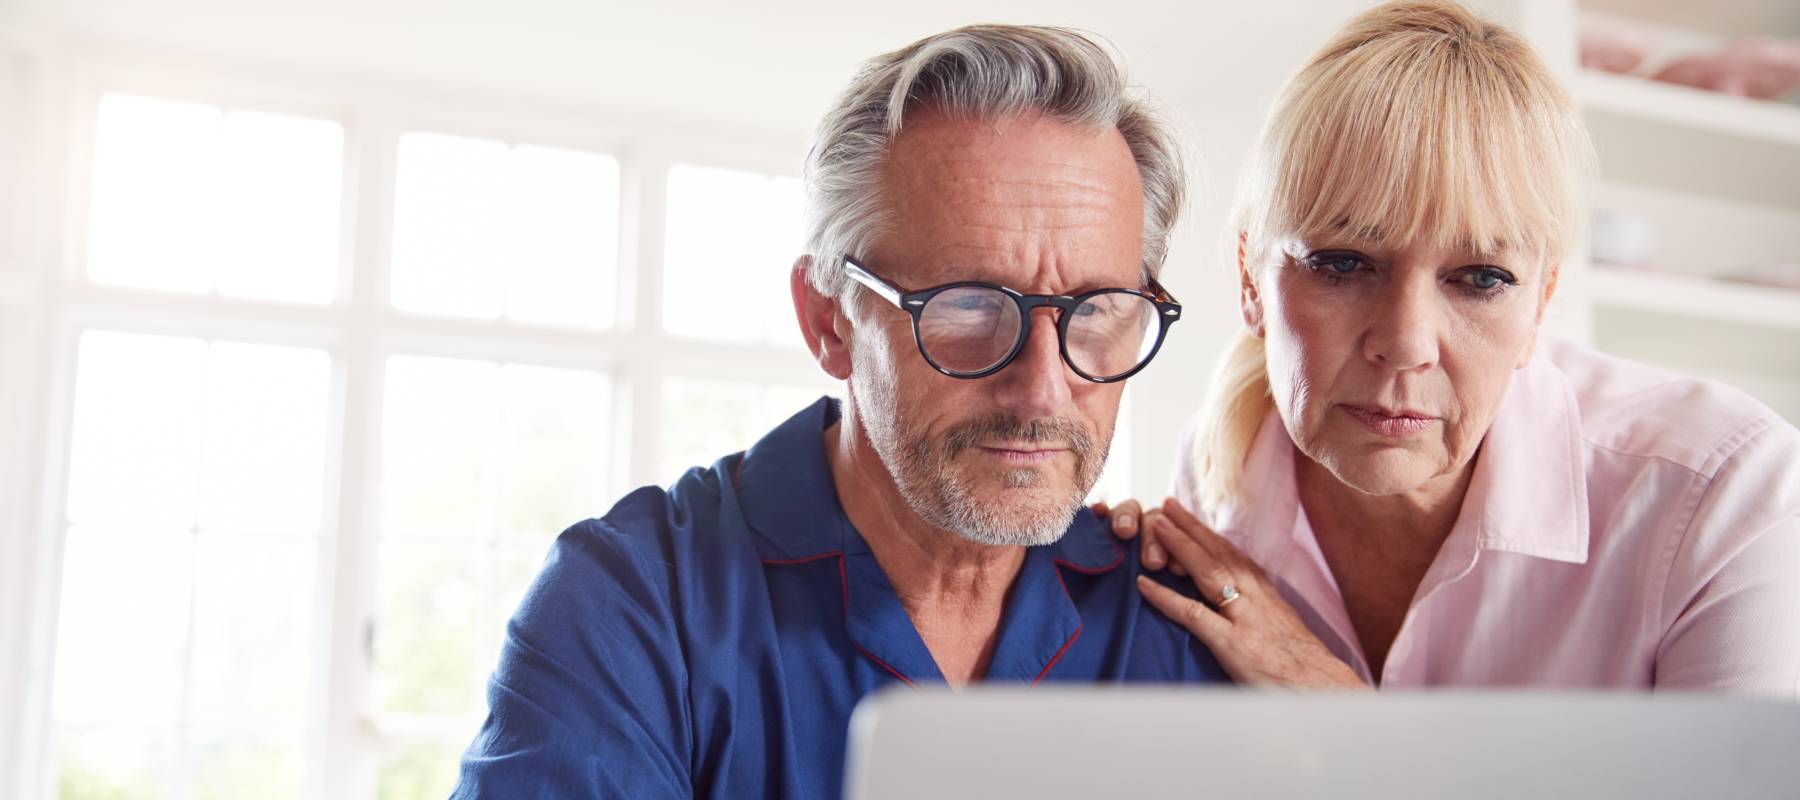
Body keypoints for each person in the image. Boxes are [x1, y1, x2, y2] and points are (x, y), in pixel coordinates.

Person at [451, 24, 1227, 799]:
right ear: (829, 320)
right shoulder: (636, 608)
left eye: (1095, 310)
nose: (1043, 390)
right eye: (968, 306)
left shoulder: (1176, 622)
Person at [1105, 0, 1800, 694]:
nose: (1405, 346)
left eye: (1481, 279)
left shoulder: (1726, 494)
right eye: (1343, 264)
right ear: (1249, 280)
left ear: (1540, 305)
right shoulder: (1220, 475)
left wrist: (1339, 710)